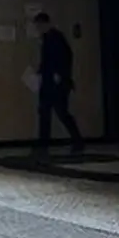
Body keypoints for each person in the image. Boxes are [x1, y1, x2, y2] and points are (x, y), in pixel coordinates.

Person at [33, 12, 85, 155]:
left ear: (46, 24)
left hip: (57, 82)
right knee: (45, 112)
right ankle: (43, 144)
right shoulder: (46, 38)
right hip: (48, 80)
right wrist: (40, 72)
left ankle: (77, 140)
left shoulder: (56, 37)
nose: (38, 28)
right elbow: (47, 60)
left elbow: (65, 57)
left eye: (39, 25)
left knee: (61, 112)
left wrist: (60, 74)